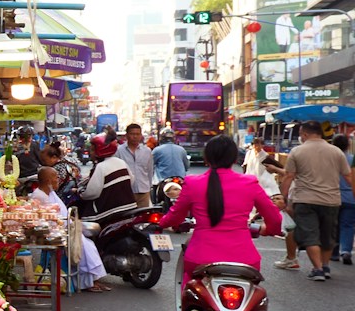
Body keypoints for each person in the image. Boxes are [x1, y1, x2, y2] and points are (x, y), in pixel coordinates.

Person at [158, 135, 282, 286]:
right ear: (234, 158)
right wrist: (267, 230)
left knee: (190, 288)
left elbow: (175, 217)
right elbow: (275, 219)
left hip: (200, 257)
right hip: (245, 259)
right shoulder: (249, 183)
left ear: (207, 158)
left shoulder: (192, 183)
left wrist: (160, 223)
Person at [277, 120, 354, 281]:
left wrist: (283, 197)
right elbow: (348, 177)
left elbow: (289, 176)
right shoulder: (336, 152)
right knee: (328, 236)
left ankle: (318, 269)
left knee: (310, 235)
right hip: (331, 200)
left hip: (305, 200)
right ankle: (325, 266)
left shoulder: (297, 151)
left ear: (304, 134)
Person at [32, 164, 108, 290]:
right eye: (56, 177)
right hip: (55, 232)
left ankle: (91, 281)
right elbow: (45, 218)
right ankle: (88, 283)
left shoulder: (50, 193)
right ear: (48, 181)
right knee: (85, 245)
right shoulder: (39, 196)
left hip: (65, 228)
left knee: (88, 244)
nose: (58, 180)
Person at [117, 123, 155, 208]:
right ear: (126, 135)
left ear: (141, 135)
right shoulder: (119, 151)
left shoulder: (147, 151)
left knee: (144, 218)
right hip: (125, 192)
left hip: (143, 191)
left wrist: (148, 187)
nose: (135, 137)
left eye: (137, 134)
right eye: (132, 134)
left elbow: (150, 171)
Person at [333, 134, 355, 265]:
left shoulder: (330, 159)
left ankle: (334, 252)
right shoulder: (352, 159)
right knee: (348, 225)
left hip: (332, 195)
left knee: (333, 225)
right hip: (351, 197)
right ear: (348, 145)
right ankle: (346, 251)